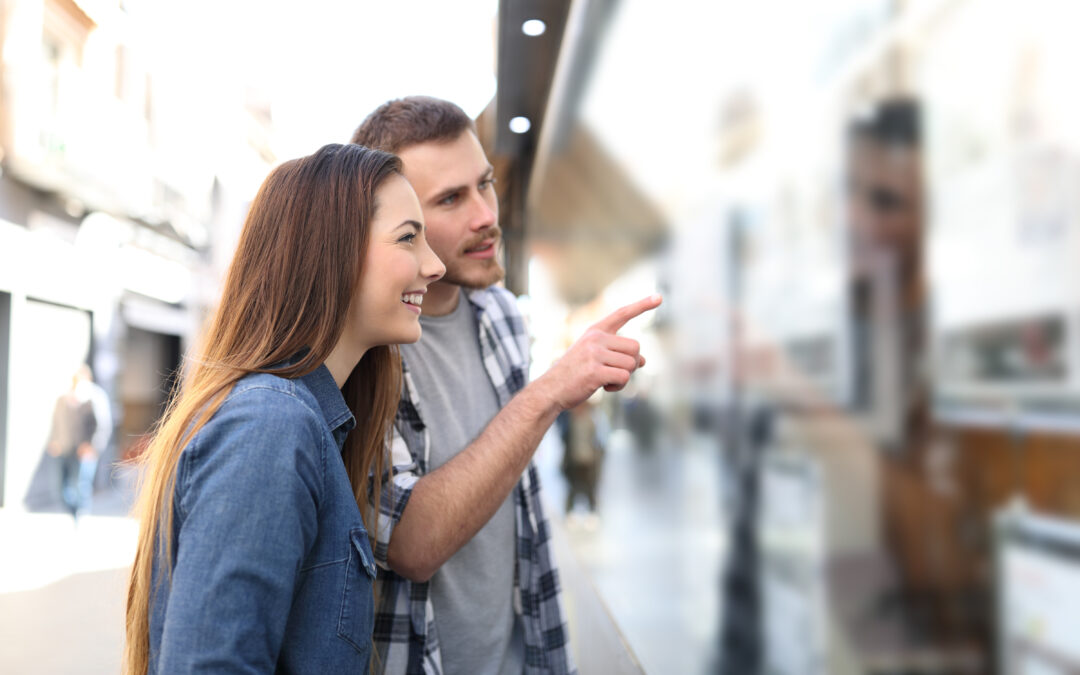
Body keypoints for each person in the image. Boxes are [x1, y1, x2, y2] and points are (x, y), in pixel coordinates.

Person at [352, 96, 660, 674]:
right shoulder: (363, 351)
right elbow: (412, 546)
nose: (484, 215)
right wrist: (548, 393)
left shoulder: (501, 315)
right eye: (449, 199)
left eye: (485, 185)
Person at [122, 143, 445, 674]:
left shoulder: (304, 422)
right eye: (408, 237)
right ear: (329, 249)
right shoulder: (271, 426)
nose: (433, 266)